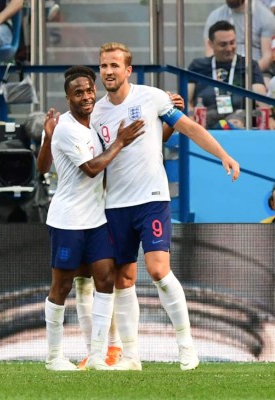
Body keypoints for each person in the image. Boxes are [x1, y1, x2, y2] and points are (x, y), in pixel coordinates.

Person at [91, 42, 240, 371]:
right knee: (123, 279)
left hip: (152, 199)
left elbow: (189, 128)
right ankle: (131, 356)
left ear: (128, 70)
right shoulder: (97, 112)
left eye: (115, 66)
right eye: (103, 66)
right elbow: (102, 159)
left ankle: (186, 347)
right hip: (115, 205)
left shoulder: (151, 98)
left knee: (158, 270)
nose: (108, 71)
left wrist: (224, 155)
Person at [44, 66, 145, 371]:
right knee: (61, 286)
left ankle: (99, 355)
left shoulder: (94, 123)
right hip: (68, 221)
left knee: (105, 279)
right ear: (67, 97)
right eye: (79, 93)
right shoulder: (66, 128)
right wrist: (120, 142)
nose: (87, 97)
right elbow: (91, 168)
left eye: (90, 90)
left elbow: (42, 165)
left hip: (97, 220)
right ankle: (54, 357)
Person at [190, 20, 268, 129]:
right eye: (223, 44)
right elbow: (186, 100)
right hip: (206, 119)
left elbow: (261, 97)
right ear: (210, 44)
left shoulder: (248, 65)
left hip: (239, 117)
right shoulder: (198, 66)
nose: (229, 48)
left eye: (232, 43)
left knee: (234, 123)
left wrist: (270, 117)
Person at [203, 0, 275, 73]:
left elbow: (267, 57)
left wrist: (247, 73)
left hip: (258, 72)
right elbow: (210, 52)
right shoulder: (215, 16)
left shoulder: (266, 17)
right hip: (221, 71)